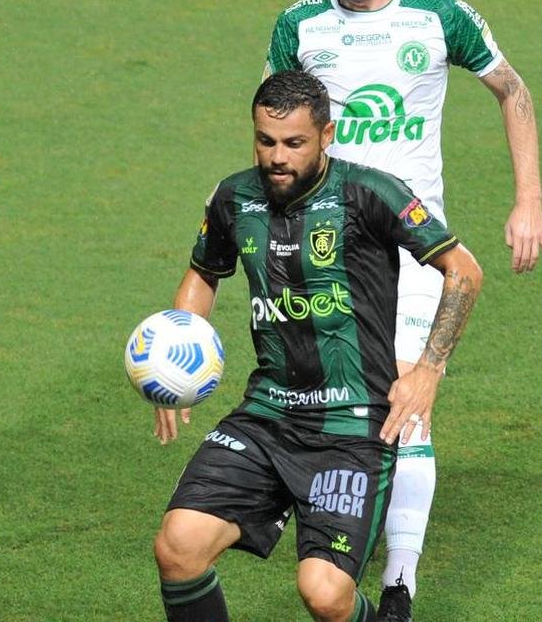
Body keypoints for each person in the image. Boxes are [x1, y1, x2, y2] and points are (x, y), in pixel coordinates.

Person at [263, 0, 542, 620]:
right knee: (318, 399)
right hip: (324, 253)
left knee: (406, 402)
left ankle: (399, 581)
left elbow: (512, 90)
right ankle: (301, 513)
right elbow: (276, 133)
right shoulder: (298, 26)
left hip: (415, 249)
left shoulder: (438, 16)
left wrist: (528, 202)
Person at [153, 71, 482, 622]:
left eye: (294, 143)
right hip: (267, 414)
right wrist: (174, 357)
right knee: (178, 546)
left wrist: (428, 368)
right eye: (265, 141)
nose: (277, 157)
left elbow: (463, 271)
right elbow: (204, 272)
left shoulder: (370, 193)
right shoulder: (235, 197)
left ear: (326, 134)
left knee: (324, 594)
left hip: (353, 427)